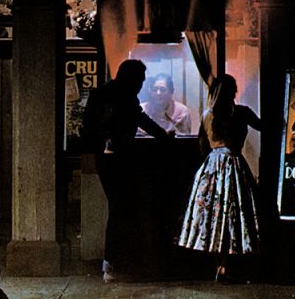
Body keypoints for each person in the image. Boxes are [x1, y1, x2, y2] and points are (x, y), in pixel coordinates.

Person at [81, 59, 172, 282]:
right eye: (140, 81)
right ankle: (113, 262)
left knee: (119, 209)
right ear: (131, 79)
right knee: (120, 209)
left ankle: (115, 262)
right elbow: (140, 119)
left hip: (107, 158)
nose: (141, 86)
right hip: (117, 159)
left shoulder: (103, 94)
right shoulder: (124, 96)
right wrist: (162, 135)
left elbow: (89, 125)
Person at [176, 74, 262, 282]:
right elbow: (265, 126)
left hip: (212, 166)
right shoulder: (241, 113)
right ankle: (230, 266)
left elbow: (202, 145)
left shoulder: (207, 115)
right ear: (233, 92)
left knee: (213, 217)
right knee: (235, 215)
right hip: (234, 164)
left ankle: (220, 265)